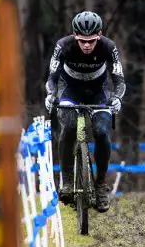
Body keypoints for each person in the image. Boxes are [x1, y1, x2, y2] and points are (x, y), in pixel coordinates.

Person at [45, 11, 125, 212]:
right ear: (75, 36)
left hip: (98, 92)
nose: (87, 45)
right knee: (69, 127)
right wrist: (50, 95)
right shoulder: (63, 46)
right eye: (82, 41)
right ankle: (67, 179)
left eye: (91, 41)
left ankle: (100, 184)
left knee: (102, 132)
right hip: (69, 90)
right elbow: (52, 78)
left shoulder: (109, 47)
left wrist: (116, 98)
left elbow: (119, 79)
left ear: (99, 34)